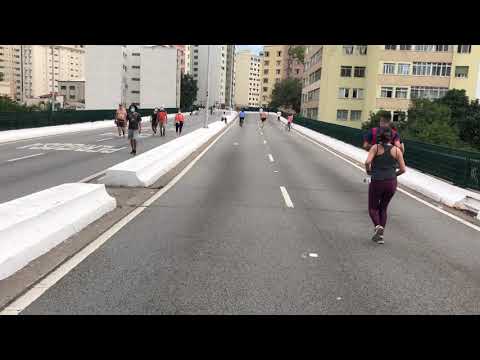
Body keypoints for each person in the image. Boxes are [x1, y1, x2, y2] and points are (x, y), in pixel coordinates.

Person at [365, 127, 406, 244]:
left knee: (373, 208)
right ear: (391, 139)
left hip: (377, 181)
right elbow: (403, 169)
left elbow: (367, 162)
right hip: (391, 182)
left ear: (379, 137)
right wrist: (393, 175)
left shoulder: (376, 148)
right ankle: (380, 237)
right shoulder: (397, 150)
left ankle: (378, 227)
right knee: (383, 208)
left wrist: (368, 171)